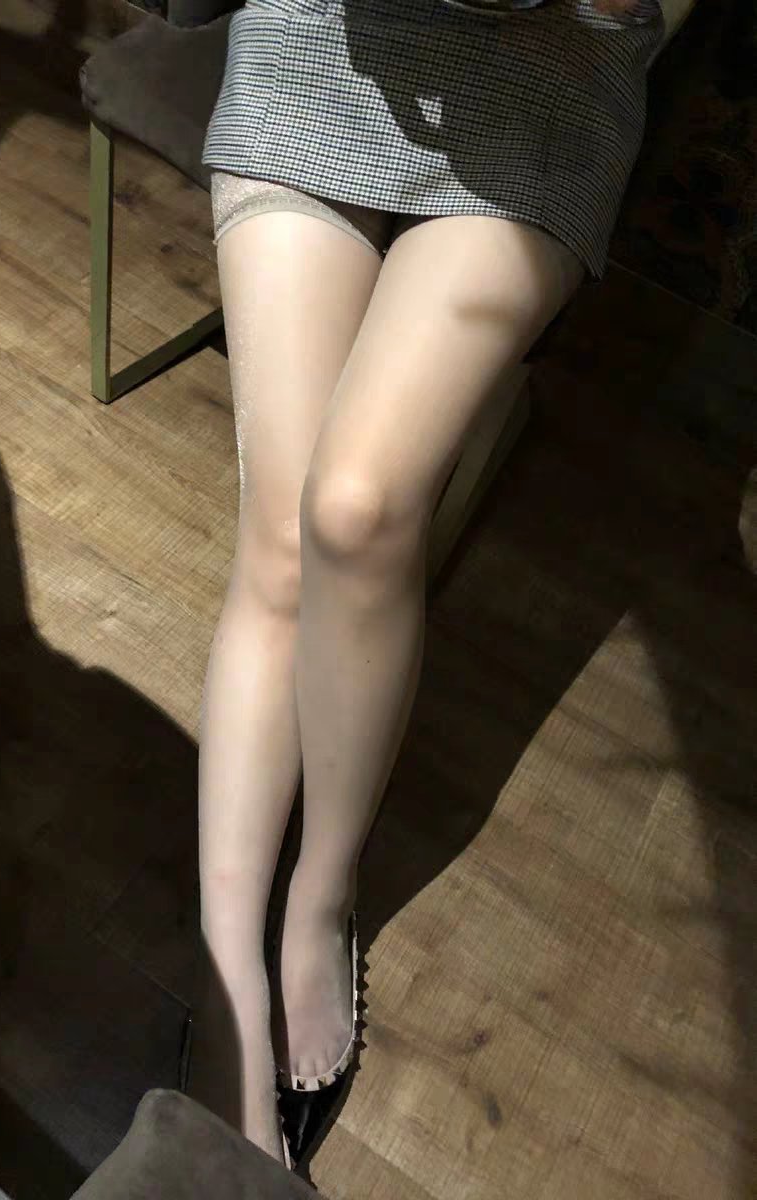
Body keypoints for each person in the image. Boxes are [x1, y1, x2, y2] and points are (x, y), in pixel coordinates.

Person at [185, 0, 666, 1171]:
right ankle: (223, 970)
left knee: (354, 512)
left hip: (542, 88)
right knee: (281, 539)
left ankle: (320, 901)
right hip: (313, 39)